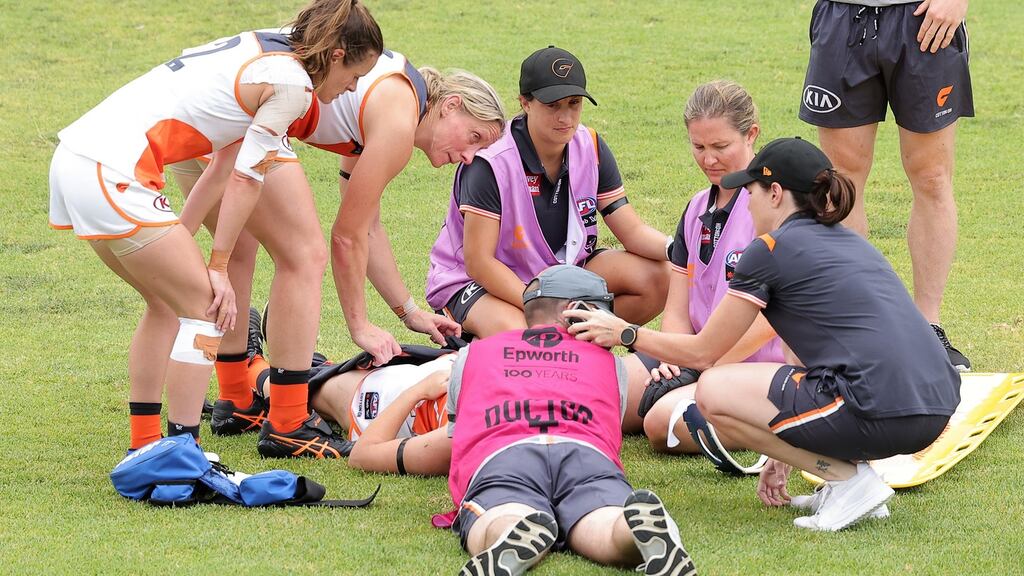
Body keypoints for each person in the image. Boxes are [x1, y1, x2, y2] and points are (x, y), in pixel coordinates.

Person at [567, 138, 961, 532]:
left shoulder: (770, 249)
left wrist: (626, 334)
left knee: (713, 391)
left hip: (881, 407)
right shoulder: (848, 241)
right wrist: (788, 451)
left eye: (750, 191)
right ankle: (847, 484)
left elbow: (705, 354)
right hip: (938, 407)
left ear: (775, 194)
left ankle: (849, 481)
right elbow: (801, 353)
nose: (747, 202)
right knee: (790, 386)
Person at [48, 0, 381, 453]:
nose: (350, 89)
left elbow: (222, 165)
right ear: (338, 54)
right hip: (112, 171)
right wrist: (218, 265)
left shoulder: (261, 50)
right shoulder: (294, 86)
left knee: (167, 304)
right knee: (208, 308)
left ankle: (145, 448)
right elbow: (247, 176)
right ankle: (182, 451)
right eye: (356, 76)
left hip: (79, 158)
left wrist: (185, 241)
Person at [172, 49, 506, 458]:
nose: (470, 157)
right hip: (235, 120)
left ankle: (238, 399)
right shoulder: (400, 119)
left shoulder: (394, 99)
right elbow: (346, 237)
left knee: (241, 248)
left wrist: (408, 312)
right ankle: (288, 423)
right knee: (302, 254)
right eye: (474, 138)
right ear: (451, 105)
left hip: (203, 116)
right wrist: (359, 325)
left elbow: (368, 226)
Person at [446, 266, 695, 575]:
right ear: (573, 312)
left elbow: (457, 437)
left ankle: (507, 531)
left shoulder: (474, 354)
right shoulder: (609, 364)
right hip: (587, 454)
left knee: (501, 510)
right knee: (600, 518)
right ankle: (630, 531)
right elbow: (607, 426)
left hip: (505, 454)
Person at [426, 46, 671, 341]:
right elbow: (479, 263)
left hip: (557, 273)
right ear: (525, 103)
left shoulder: (590, 145)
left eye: (574, 103)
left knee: (659, 278)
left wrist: (680, 249)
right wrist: (542, 305)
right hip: (474, 280)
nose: (565, 117)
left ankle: (572, 350)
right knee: (524, 336)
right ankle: (479, 343)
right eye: (552, 105)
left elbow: (631, 231)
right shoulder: (490, 161)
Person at [800, 0, 973, 370]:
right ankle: (853, 329)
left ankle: (928, 326)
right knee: (842, 179)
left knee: (932, 176)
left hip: (925, 18)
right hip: (844, 15)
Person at [639, 80, 784, 454]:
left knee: (660, 425)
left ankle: (781, 427)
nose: (708, 159)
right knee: (605, 390)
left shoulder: (773, 205)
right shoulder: (695, 207)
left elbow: (774, 318)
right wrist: (675, 359)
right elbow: (677, 306)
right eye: (698, 147)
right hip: (697, 356)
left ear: (752, 134)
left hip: (757, 365)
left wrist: (706, 364)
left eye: (721, 147)